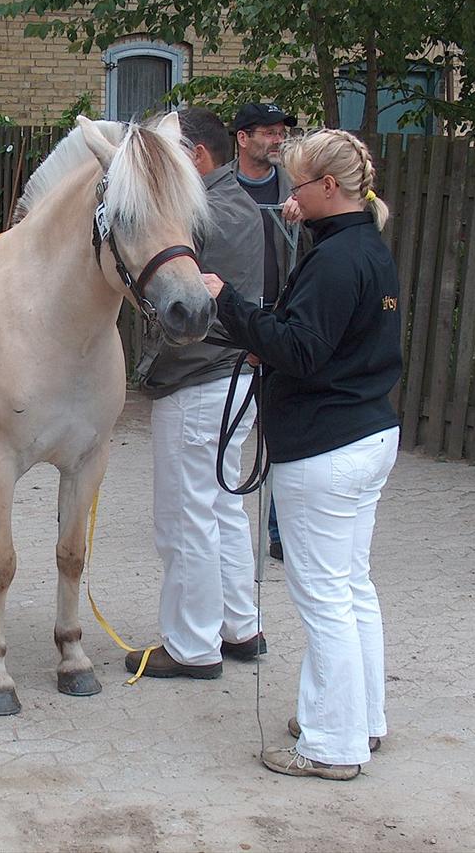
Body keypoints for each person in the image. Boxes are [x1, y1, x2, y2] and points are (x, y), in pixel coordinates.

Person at [204, 129, 402, 780]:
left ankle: (331, 745)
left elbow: (302, 349)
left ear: (328, 187)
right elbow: (315, 336)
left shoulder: (340, 259)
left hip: (327, 445)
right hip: (365, 433)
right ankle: (358, 719)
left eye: (299, 184)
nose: (290, 195)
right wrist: (275, 337)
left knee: (325, 599)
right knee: (351, 588)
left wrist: (225, 303)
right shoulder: (361, 247)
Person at [125, 107, 267, 682]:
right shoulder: (240, 202)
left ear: (195, 157)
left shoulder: (198, 212)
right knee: (222, 508)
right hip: (234, 376)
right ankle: (239, 626)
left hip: (200, 379)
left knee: (185, 519)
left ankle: (191, 646)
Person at [229, 101, 303, 561]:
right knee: (228, 423)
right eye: (268, 133)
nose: (277, 140)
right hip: (233, 322)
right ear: (242, 138)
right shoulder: (219, 188)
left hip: (279, 318)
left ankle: (279, 530)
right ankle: (220, 509)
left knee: (281, 424)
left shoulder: (294, 187)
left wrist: (306, 212)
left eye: (280, 133)